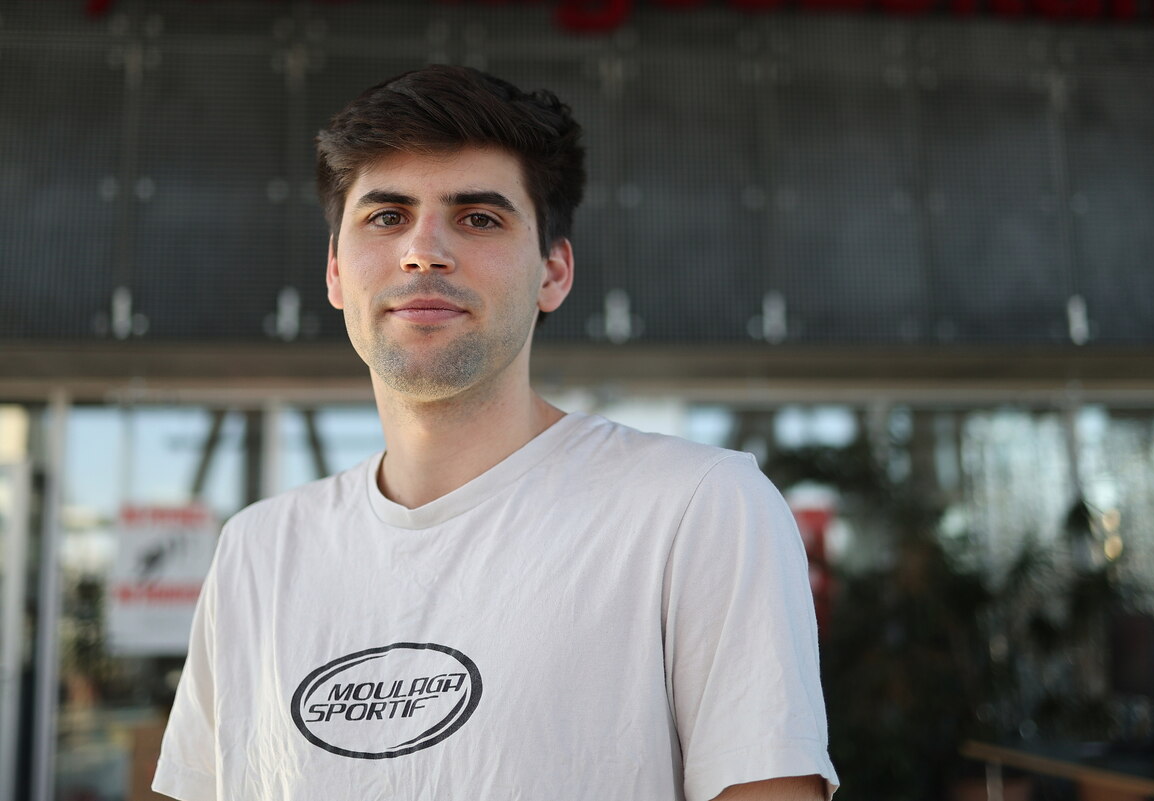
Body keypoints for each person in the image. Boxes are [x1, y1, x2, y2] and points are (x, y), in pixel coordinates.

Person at [152, 64, 839, 801]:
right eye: (386, 217)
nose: (423, 251)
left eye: (479, 218)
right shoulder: (258, 551)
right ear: (336, 274)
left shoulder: (697, 509)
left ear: (553, 272)